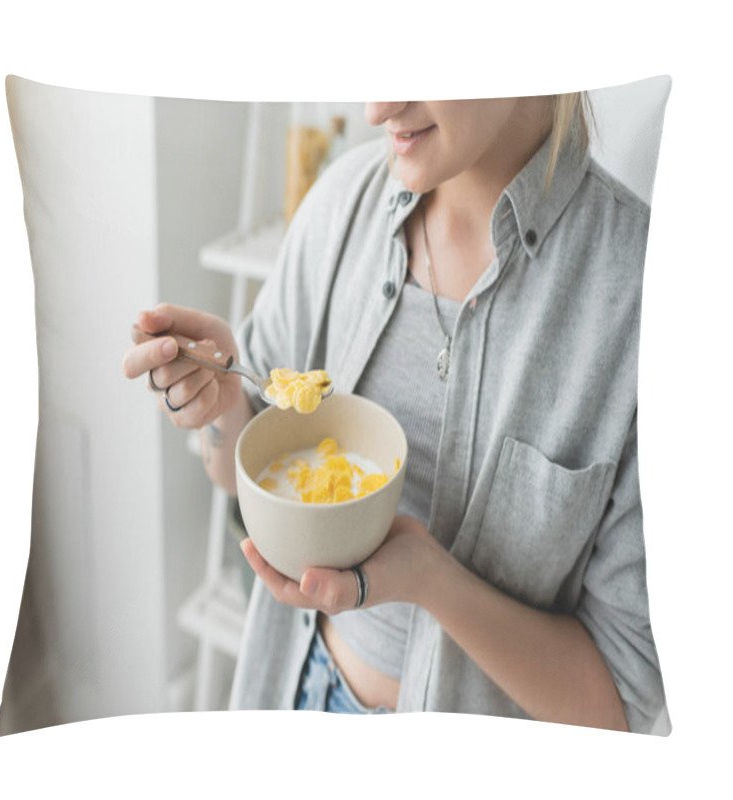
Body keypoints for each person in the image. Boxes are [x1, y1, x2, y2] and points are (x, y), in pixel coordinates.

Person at [122, 96, 669, 733]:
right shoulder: (341, 206)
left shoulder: (645, 295)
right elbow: (234, 469)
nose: (377, 106)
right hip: (296, 690)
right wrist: (224, 408)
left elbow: (621, 706)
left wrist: (431, 580)